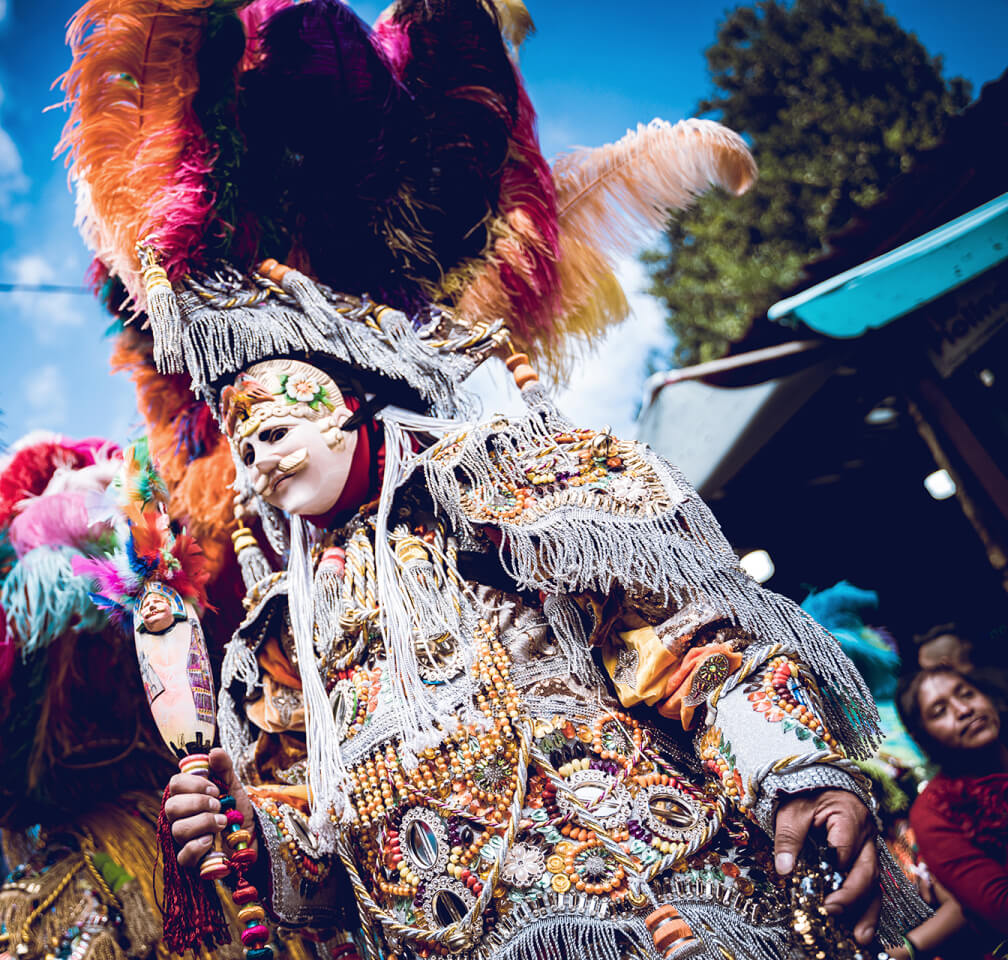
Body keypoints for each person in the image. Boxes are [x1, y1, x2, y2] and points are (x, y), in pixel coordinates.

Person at [57, 0, 929, 955]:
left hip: (657, 911)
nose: (259, 456)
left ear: (356, 397)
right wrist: (247, 830)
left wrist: (797, 771)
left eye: (275, 421)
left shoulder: (515, 489)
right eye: (242, 438)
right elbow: (330, 861)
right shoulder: (280, 636)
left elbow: (693, 646)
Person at [895, 667, 1008, 959]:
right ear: (922, 737)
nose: (963, 710)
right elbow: (1000, 907)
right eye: (939, 710)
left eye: (966, 694)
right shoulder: (935, 812)